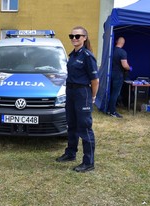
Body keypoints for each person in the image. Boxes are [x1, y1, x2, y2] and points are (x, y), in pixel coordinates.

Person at [56, 26, 99, 173]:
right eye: (72, 36)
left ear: (84, 38)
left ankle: (88, 162)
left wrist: (92, 97)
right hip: (71, 92)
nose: (74, 39)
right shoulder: (73, 55)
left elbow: (95, 80)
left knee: (84, 126)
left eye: (78, 36)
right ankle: (70, 153)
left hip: (82, 93)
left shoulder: (87, 56)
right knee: (72, 124)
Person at [107, 37, 131, 118]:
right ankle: (112, 112)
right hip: (118, 75)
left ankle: (107, 109)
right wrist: (129, 68)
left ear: (116, 42)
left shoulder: (111, 50)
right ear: (123, 43)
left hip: (109, 74)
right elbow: (124, 65)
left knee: (109, 92)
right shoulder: (122, 52)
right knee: (115, 93)